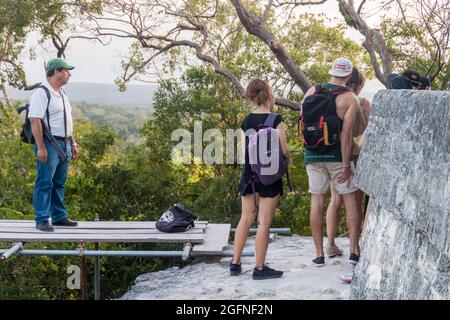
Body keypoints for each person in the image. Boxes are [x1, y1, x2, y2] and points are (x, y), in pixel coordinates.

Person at [301, 57, 361, 267]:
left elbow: (304, 123)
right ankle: (354, 250)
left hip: (313, 154)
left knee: (317, 200)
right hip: (336, 157)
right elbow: (346, 136)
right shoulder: (350, 98)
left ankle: (319, 254)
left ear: (332, 72)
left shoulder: (311, 91)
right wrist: (346, 165)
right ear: (349, 75)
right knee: (350, 199)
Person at [230, 79, 292, 280]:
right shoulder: (275, 119)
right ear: (268, 94)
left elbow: (242, 152)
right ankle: (259, 268)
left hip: (249, 176)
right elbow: (283, 149)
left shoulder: (246, 120)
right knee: (263, 222)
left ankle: (235, 263)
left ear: (251, 97)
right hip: (270, 177)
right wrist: (288, 159)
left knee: (245, 218)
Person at [28, 58, 79, 232]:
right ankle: (42, 219)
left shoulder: (62, 93)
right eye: (66, 71)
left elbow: (66, 121)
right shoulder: (42, 93)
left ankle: (58, 216)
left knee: (59, 182)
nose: (69, 74)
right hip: (49, 144)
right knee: (44, 182)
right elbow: (35, 120)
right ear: (57, 72)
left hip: (64, 143)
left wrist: (72, 142)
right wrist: (41, 147)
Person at [326, 68, 372, 254]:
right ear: (360, 86)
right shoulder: (362, 103)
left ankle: (330, 244)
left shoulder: (337, 100)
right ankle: (356, 246)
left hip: (335, 155)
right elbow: (367, 133)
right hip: (356, 156)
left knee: (335, 200)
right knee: (356, 202)